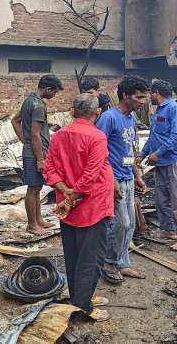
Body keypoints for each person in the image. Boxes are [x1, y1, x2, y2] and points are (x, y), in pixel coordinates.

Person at [43, 93, 115, 322]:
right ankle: (83, 307)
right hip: (92, 206)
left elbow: (50, 169)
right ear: (97, 113)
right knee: (91, 259)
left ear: (73, 112)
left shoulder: (60, 135)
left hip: (68, 208)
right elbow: (90, 176)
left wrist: (65, 194)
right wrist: (71, 198)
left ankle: (80, 297)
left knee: (73, 255)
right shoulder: (97, 137)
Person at [96, 76, 149, 283]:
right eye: (139, 97)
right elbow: (100, 154)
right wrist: (112, 181)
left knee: (130, 224)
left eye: (144, 97)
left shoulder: (130, 119)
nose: (142, 101)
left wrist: (137, 175)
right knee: (120, 223)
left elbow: (129, 150)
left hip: (127, 178)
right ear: (125, 95)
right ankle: (108, 263)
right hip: (113, 179)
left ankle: (123, 262)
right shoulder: (108, 118)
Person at [139, 80, 177, 251]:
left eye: (150, 94)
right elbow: (153, 137)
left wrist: (157, 154)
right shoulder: (159, 111)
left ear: (156, 92)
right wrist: (142, 154)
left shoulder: (175, 109)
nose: (148, 97)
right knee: (162, 199)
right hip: (162, 162)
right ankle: (168, 230)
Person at [11, 74, 64, 235]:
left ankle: (39, 220)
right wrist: (40, 159)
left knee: (38, 187)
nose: (54, 95)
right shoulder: (39, 106)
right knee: (33, 189)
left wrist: (23, 139)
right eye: (54, 92)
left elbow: (15, 120)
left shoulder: (29, 101)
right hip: (35, 153)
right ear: (48, 89)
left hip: (32, 150)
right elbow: (35, 134)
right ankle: (32, 225)